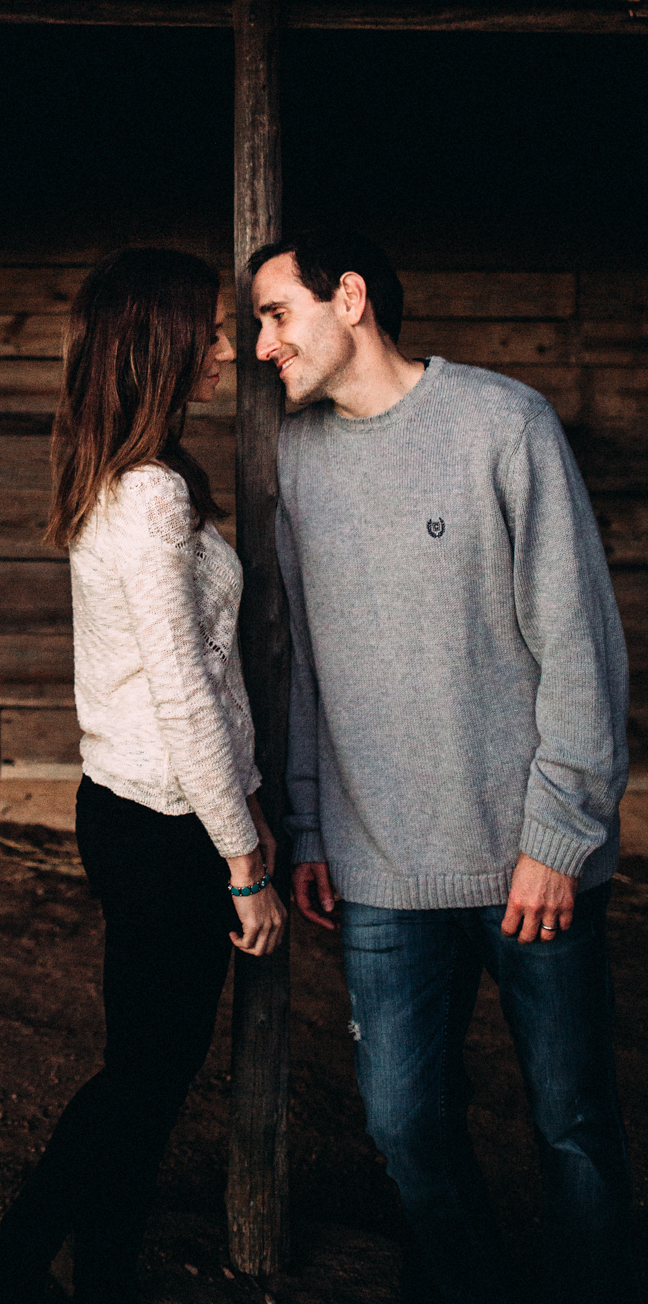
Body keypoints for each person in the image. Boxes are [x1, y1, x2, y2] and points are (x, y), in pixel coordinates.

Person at [249, 228, 638, 1304]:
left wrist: (559, 837)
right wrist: (316, 827)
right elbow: (305, 664)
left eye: (277, 313)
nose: (264, 344)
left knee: (572, 1128)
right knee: (404, 1126)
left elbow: (579, 641)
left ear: (352, 297)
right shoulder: (292, 457)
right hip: (380, 869)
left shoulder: (502, 423)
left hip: (532, 866)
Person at [0, 246, 285, 1304]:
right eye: (214, 330)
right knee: (145, 1075)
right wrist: (242, 860)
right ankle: (5, 1272)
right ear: (161, 342)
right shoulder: (147, 494)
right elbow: (185, 694)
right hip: (166, 818)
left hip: (141, 806)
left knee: (145, 1066)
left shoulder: (135, 469)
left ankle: (100, 1274)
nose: (230, 348)